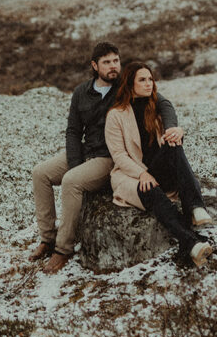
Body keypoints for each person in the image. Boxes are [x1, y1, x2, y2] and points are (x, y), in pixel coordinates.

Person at [30, 41, 184, 274]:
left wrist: (171, 126)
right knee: (40, 173)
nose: (113, 67)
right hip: (85, 150)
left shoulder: (125, 85)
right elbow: (73, 131)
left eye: (116, 61)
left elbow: (162, 102)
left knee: (71, 181)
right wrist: (75, 163)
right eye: (107, 63)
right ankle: (47, 239)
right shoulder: (82, 92)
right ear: (94, 66)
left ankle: (63, 249)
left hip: (110, 155)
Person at [105, 61, 213, 267]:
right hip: (131, 173)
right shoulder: (115, 115)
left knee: (173, 142)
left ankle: (196, 206)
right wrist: (142, 174)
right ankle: (190, 242)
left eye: (151, 79)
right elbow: (119, 155)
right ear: (130, 84)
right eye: (142, 80)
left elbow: (169, 115)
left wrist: (177, 131)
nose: (149, 84)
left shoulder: (155, 106)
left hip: (159, 168)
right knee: (149, 189)